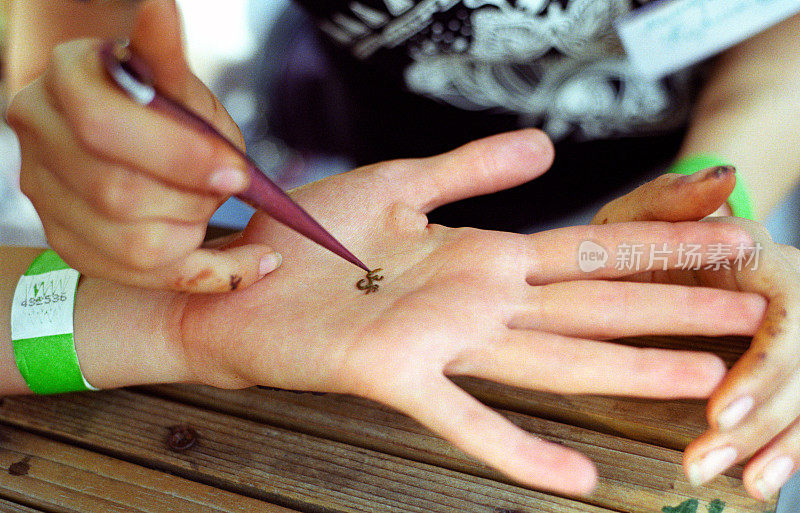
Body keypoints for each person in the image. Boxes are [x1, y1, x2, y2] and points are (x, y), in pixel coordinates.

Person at [4, 0, 800, 501]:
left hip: (677, 160)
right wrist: (77, 113)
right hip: (363, 165)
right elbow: (83, 31)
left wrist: (714, 191)